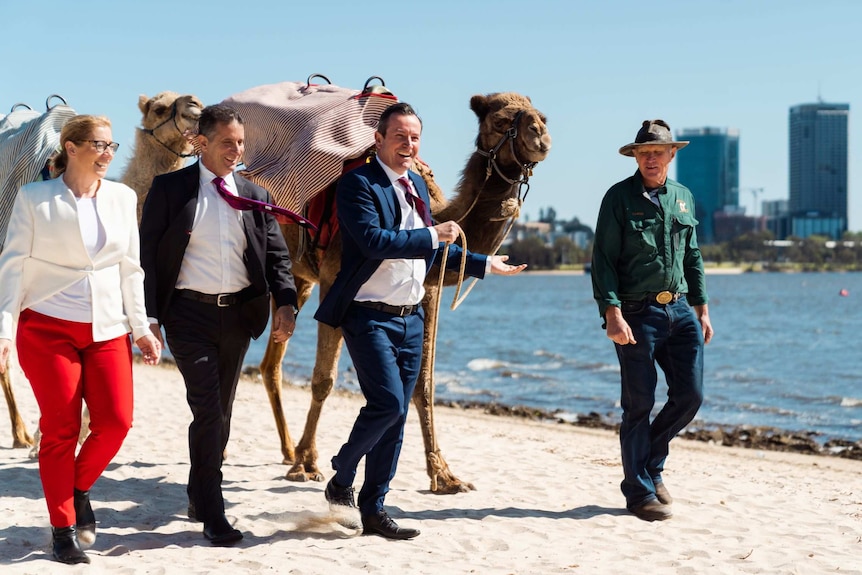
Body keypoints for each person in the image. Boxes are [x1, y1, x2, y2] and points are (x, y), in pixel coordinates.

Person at [315, 102, 527, 540]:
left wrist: (485, 265)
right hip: (367, 315)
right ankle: (341, 474)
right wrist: (435, 233)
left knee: (395, 419)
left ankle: (373, 508)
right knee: (389, 403)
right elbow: (375, 241)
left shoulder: (414, 185)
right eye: (399, 136)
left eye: (414, 138)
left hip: (411, 318)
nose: (408, 145)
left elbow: (431, 251)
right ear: (378, 140)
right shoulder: (357, 184)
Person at [0, 115, 162, 564]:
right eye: (99, 144)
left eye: (111, 145)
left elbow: (131, 267)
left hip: (107, 326)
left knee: (116, 421)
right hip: (46, 326)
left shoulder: (122, 197)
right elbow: (12, 265)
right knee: (61, 428)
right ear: (71, 148)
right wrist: (4, 332)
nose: (108, 153)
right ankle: (62, 528)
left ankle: (76, 487)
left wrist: (142, 327)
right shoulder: (35, 198)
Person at [139, 104, 297, 546]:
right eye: (228, 142)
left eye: (241, 142)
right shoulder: (170, 190)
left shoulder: (255, 195)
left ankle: (196, 492)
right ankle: (213, 511)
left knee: (221, 412)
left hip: (241, 314)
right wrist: (149, 319)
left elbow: (276, 256)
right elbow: (147, 256)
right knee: (208, 409)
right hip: (187, 314)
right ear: (200, 142)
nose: (237, 150)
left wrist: (286, 303)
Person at [591, 119, 714, 522]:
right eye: (644, 153)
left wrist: (702, 307)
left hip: (680, 311)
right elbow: (603, 261)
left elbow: (692, 255)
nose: (651, 158)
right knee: (638, 404)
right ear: (635, 156)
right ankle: (639, 490)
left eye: (658, 152)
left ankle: (649, 464)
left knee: (690, 396)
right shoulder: (618, 198)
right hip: (635, 313)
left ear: (671, 154)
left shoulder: (683, 197)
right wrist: (612, 313)